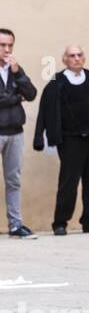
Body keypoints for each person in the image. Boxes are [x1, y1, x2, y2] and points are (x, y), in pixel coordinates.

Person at [33, 46, 89, 235]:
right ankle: (60, 222)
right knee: (68, 182)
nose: (76, 58)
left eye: (79, 55)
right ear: (64, 60)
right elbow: (45, 109)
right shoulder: (56, 80)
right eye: (72, 56)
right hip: (69, 140)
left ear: (84, 58)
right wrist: (40, 136)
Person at [0, 28, 38, 238]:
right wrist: (16, 98)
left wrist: (19, 73)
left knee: (13, 180)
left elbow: (31, 93)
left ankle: (15, 225)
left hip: (15, 132)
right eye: (2, 45)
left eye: (10, 45)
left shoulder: (15, 70)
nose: (7, 49)